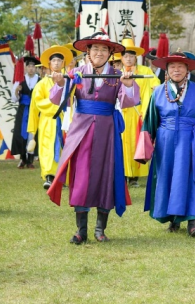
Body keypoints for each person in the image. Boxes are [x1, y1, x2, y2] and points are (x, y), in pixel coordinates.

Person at [47, 32, 139, 244]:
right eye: (95, 49)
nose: (99, 53)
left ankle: (100, 229)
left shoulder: (117, 75)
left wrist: (127, 84)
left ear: (110, 53)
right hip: (81, 130)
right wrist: (61, 83)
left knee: (106, 175)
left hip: (107, 131)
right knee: (81, 177)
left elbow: (128, 101)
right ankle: (81, 230)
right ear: (87, 52)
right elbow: (59, 100)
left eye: (104, 49)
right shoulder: (76, 73)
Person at [134, 52, 195, 236]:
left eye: (181, 66)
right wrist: (144, 150)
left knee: (193, 177)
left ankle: (193, 222)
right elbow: (150, 121)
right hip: (166, 142)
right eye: (172, 66)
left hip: (191, 140)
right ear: (166, 70)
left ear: (188, 70)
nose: (176, 70)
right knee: (168, 178)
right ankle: (172, 218)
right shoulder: (158, 92)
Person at [27, 45, 73, 190]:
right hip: (48, 120)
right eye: (54, 61)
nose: (57, 63)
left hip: (66, 120)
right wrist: (57, 107)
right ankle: (49, 176)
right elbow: (38, 103)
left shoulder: (70, 82)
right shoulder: (41, 85)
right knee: (47, 148)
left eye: (60, 61)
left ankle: (63, 176)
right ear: (49, 64)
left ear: (63, 63)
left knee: (64, 148)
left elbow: (73, 100)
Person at [119, 36, 160, 188]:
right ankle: (122, 173)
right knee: (122, 143)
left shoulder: (145, 71)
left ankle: (135, 176)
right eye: (125, 56)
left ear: (136, 57)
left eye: (131, 56)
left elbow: (156, 85)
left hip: (139, 113)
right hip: (123, 113)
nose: (128, 59)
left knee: (137, 142)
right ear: (121, 58)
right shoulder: (116, 72)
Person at [11, 56, 40, 169]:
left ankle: (30, 160)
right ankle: (23, 159)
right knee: (21, 133)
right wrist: (17, 92)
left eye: (33, 66)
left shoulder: (40, 80)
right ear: (26, 67)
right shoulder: (20, 80)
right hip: (23, 110)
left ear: (36, 68)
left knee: (32, 134)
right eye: (29, 66)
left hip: (35, 110)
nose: (31, 68)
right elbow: (14, 99)